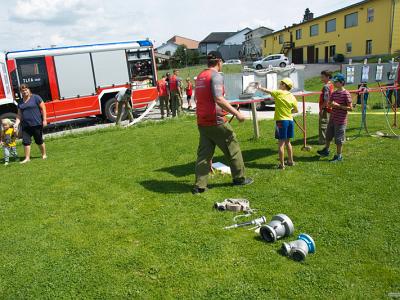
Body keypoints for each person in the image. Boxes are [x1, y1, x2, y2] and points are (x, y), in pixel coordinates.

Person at [192, 51, 253, 194]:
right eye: (222, 62)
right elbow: (218, 99)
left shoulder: (200, 76)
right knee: (233, 148)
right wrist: (237, 113)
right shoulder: (216, 76)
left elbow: (198, 98)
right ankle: (240, 178)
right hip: (216, 121)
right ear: (219, 61)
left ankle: (200, 186)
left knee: (204, 154)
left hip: (202, 121)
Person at [257, 78, 298, 169]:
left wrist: (259, 87)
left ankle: (282, 165)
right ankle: (291, 161)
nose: (279, 84)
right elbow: (296, 110)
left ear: (284, 85)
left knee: (281, 143)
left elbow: (268, 91)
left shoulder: (279, 92)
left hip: (281, 121)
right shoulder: (292, 96)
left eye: (281, 83)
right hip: (290, 121)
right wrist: (288, 113)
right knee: (288, 142)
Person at [317, 73, 353, 162]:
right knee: (328, 136)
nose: (334, 83)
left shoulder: (346, 94)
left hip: (340, 121)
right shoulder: (334, 93)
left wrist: (338, 106)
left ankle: (339, 156)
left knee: (339, 139)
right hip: (332, 119)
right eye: (334, 82)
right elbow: (329, 103)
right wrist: (330, 104)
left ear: (341, 83)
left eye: (336, 82)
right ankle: (326, 150)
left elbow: (351, 108)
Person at [14, 84, 47, 163]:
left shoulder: (36, 97)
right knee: (26, 141)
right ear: (21, 92)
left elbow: (43, 109)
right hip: (25, 125)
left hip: (36, 124)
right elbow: (19, 115)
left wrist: (45, 120)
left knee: (39, 140)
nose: (24, 91)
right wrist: (16, 124)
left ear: (29, 90)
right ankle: (27, 158)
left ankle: (44, 154)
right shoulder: (20, 102)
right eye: (22, 91)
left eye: (26, 90)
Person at [319, 70, 334, 145]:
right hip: (330, 108)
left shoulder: (326, 86)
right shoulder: (331, 84)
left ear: (328, 77)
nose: (321, 78)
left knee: (323, 125)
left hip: (326, 108)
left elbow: (326, 99)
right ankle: (328, 139)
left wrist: (321, 108)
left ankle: (323, 141)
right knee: (328, 124)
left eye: (323, 77)